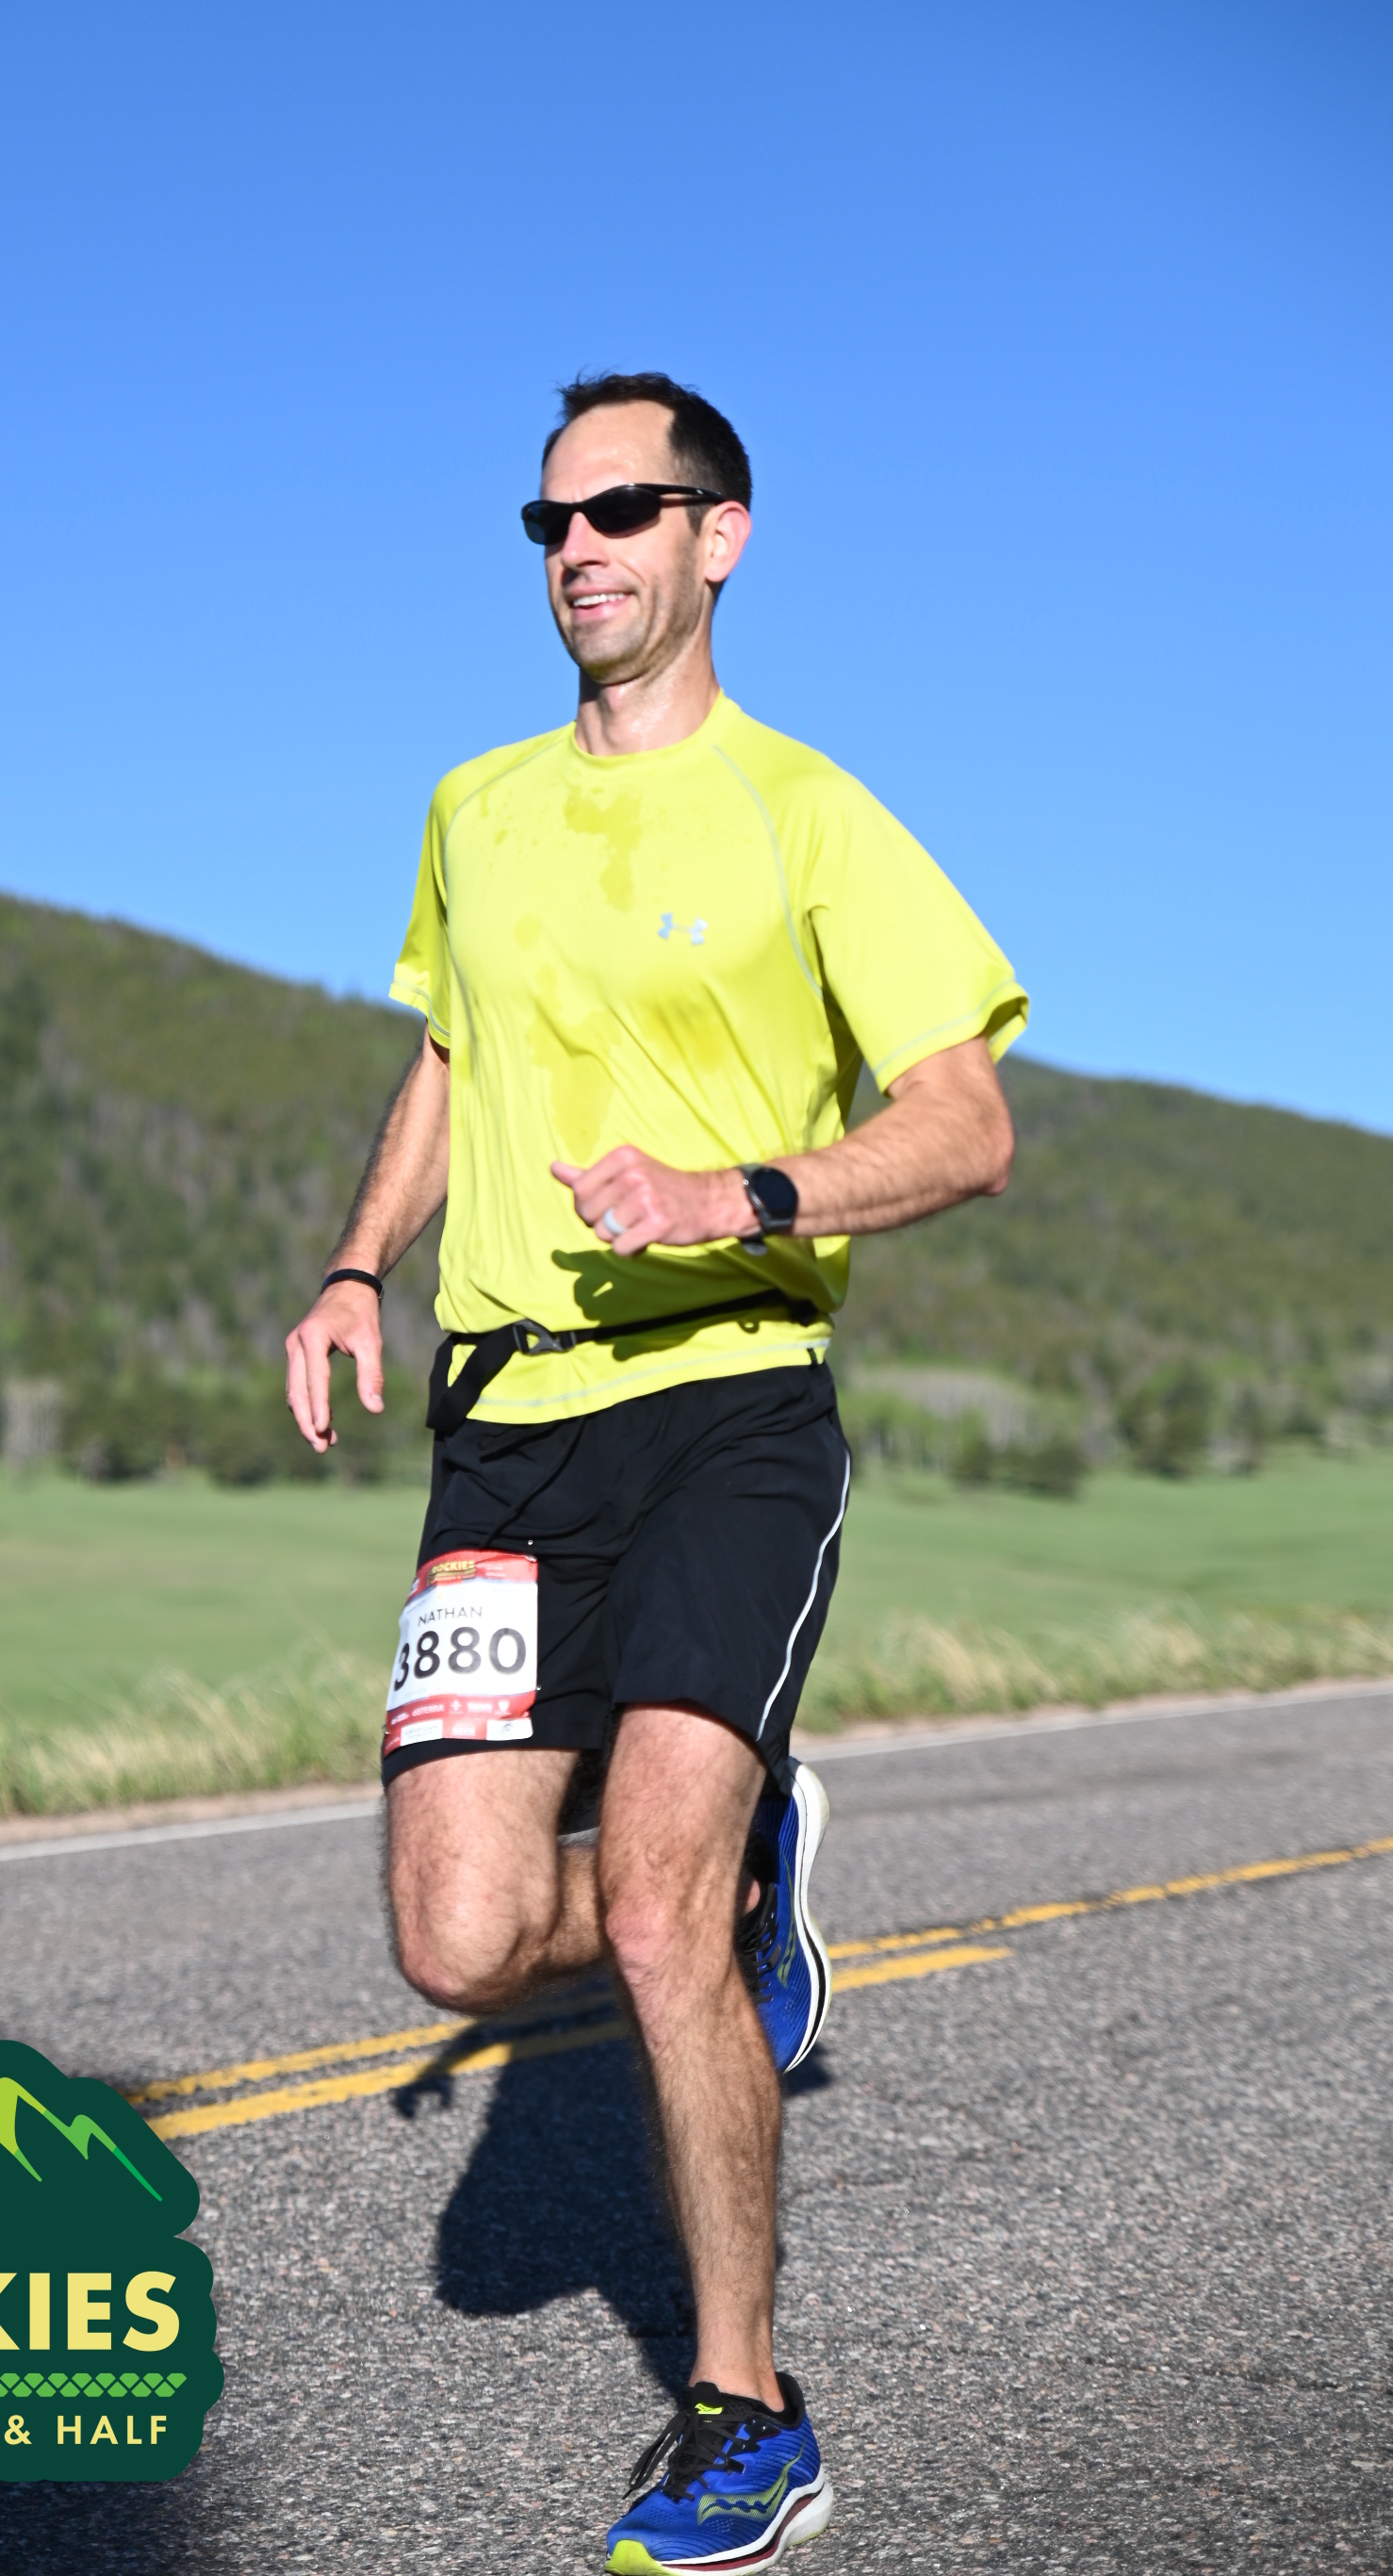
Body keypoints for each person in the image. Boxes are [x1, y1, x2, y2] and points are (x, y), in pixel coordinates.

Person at [286, 370, 1026, 2571]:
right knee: (460, 1939)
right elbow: (452, 1052)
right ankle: (757, 1870)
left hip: (725, 1404)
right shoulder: (476, 809)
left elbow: (968, 1124)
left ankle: (746, 2411)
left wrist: (744, 1196)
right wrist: (354, 1263)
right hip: (503, 1425)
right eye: (551, 519)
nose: (581, 548)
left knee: (650, 1910)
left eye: (625, 508)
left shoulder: (812, 817)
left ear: (724, 536)